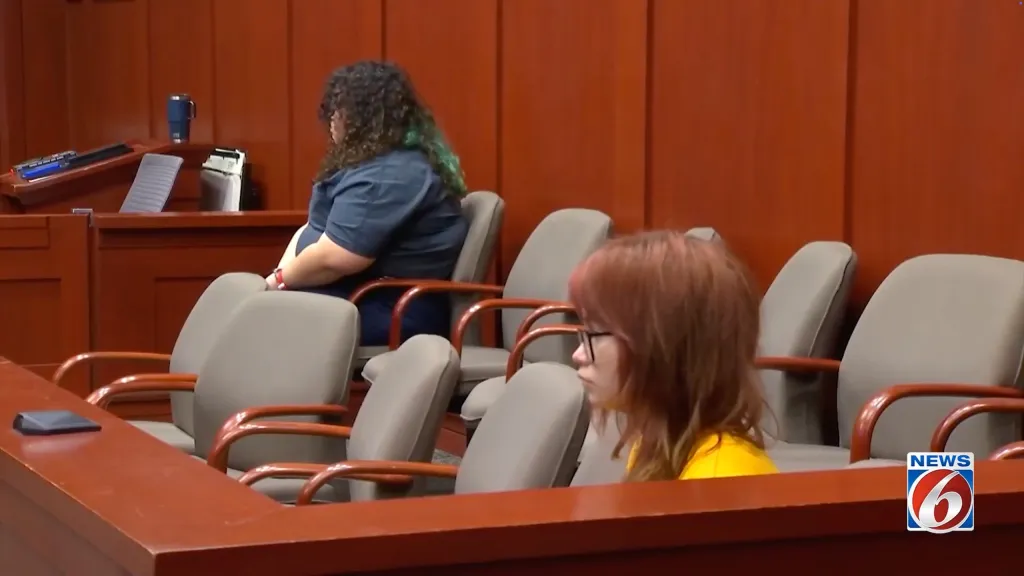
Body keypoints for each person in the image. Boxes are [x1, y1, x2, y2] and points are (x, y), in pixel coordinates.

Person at [268, 61, 469, 346]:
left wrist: (278, 283)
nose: (331, 120)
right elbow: (314, 228)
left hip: (395, 309)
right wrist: (277, 279)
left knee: (267, 327)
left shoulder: (390, 175)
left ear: (360, 117)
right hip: (363, 294)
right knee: (261, 316)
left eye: (337, 111)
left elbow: (335, 258)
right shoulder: (374, 163)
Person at [568, 230, 778, 481]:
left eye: (595, 333)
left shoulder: (718, 479)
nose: (578, 354)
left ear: (661, 347)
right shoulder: (659, 440)